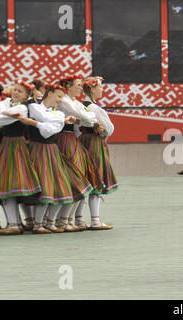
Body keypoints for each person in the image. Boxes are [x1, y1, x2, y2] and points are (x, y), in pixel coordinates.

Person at [19, 83, 94, 234]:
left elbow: (50, 130)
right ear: (49, 93)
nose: (60, 100)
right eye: (58, 96)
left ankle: (48, 221)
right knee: (43, 185)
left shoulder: (58, 114)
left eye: (61, 97)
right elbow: (47, 124)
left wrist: (35, 123)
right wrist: (52, 122)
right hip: (37, 149)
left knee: (60, 185)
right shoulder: (35, 107)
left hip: (51, 149)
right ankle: (37, 223)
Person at [56, 74, 105, 231]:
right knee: (76, 179)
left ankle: (68, 219)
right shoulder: (65, 101)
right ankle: (62, 220)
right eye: (77, 85)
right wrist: (92, 121)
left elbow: (86, 117)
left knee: (80, 179)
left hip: (72, 140)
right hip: (65, 138)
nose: (79, 88)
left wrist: (90, 120)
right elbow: (86, 117)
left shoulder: (74, 102)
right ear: (68, 86)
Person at [0, 80, 41, 235]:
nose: (15, 93)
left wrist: (3, 113)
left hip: (15, 146)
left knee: (10, 182)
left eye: (20, 91)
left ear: (26, 96)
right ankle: (17, 222)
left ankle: (15, 224)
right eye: (14, 90)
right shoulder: (8, 105)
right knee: (7, 183)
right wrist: (4, 111)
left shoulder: (22, 108)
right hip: (7, 145)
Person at [80, 76, 117, 230]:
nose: (102, 89)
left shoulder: (81, 105)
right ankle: (95, 220)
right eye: (100, 86)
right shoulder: (95, 108)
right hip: (95, 143)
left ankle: (78, 219)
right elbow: (109, 128)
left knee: (84, 179)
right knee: (96, 177)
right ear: (93, 89)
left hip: (83, 141)